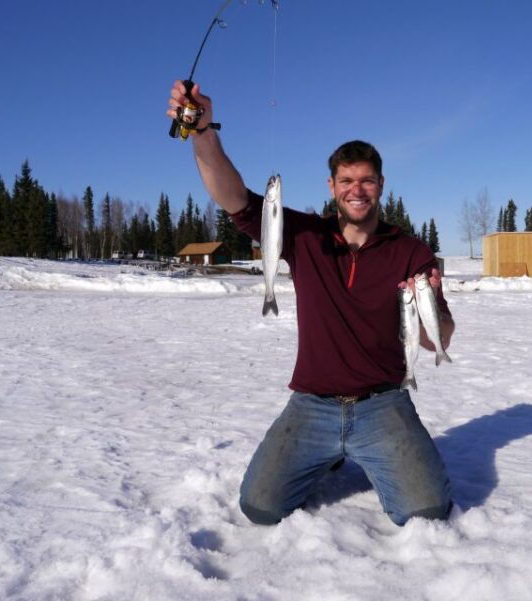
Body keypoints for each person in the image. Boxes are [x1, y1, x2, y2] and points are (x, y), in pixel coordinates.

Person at [167, 81, 455, 526]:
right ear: (331, 185)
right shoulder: (302, 235)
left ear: (380, 185)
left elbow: (438, 340)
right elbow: (232, 197)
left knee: (426, 511)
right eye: (346, 180)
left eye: (366, 180)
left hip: (383, 403)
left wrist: (432, 304)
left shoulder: (411, 251)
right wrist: (203, 132)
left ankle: (358, 451)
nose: (356, 190)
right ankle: (327, 454)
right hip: (312, 404)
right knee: (259, 507)